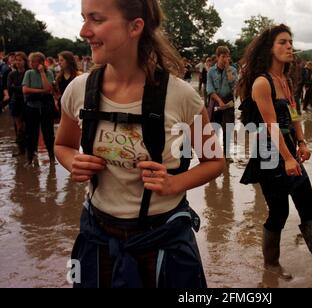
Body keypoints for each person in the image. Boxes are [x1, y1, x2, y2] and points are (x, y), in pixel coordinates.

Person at [54, 0, 224, 288]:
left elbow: (215, 162)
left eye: (95, 19)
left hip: (164, 240)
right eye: (84, 18)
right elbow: (62, 146)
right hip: (97, 238)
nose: (84, 31)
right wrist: (73, 161)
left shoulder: (180, 96)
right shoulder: (78, 90)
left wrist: (174, 183)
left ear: (135, 27)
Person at [238, 24, 312, 279]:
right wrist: (288, 158)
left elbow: (294, 115)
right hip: (269, 154)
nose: (289, 46)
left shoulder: (286, 80)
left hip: (289, 148)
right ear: (269, 48)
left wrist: (302, 143)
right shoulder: (262, 82)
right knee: (279, 211)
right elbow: (270, 125)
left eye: (291, 41)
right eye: (282, 42)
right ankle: (271, 263)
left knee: (307, 201)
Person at [22, 52, 56, 165]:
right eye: (30, 61)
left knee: (48, 133)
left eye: (34, 61)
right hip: (31, 107)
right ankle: (29, 158)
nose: (31, 63)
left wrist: (42, 73)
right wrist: (42, 91)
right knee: (31, 133)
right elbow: (25, 90)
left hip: (46, 107)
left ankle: (51, 157)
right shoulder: (29, 73)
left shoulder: (49, 72)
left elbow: (49, 88)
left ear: (41, 63)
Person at [206, 46, 238, 159]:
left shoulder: (233, 70)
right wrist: (219, 101)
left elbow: (232, 82)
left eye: (227, 56)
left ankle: (226, 155)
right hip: (215, 101)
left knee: (228, 128)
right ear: (218, 57)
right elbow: (210, 89)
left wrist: (228, 67)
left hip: (228, 100)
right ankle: (214, 154)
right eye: (223, 56)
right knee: (213, 128)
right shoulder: (211, 71)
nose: (226, 59)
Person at [7, 52, 29, 156]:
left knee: (27, 126)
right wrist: (22, 88)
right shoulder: (12, 74)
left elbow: (28, 88)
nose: (18, 62)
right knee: (18, 126)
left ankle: (30, 148)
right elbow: (9, 88)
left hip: (27, 101)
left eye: (20, 60)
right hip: (15, 102)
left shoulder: (28, 73)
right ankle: (21, 150)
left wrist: (19, 88)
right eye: (16, 60)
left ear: (25, 61)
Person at [54, 51, 80, 122]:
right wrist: (57, 100)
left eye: (62, 60)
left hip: (74, 104)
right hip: (62, 104)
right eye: (59, 60)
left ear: (68, 61)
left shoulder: (78, 75)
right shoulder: (59, 77)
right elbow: (56, 91)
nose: (59, 62)